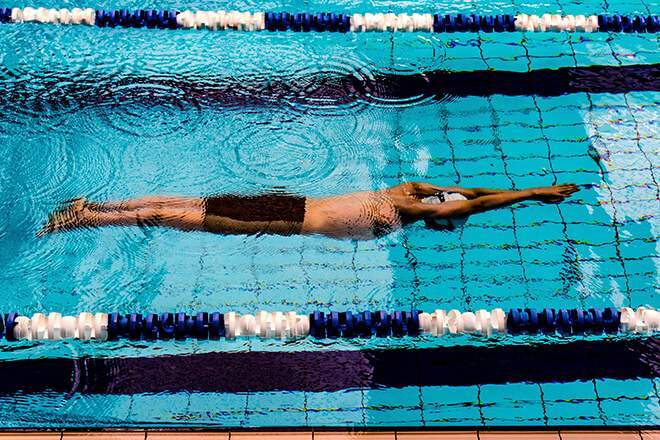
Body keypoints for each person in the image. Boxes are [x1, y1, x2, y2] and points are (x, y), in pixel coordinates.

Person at [38, 182, 579, 239]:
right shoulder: (406, 214)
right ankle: (84, 217)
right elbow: (479, 202)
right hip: (286, 220)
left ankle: (91, 206)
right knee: (177, 215)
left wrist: (532, 188)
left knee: (184, 203)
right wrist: (534, 194)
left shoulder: (405, 190)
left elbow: (469, 193)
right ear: (435, 215)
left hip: (289, 201)